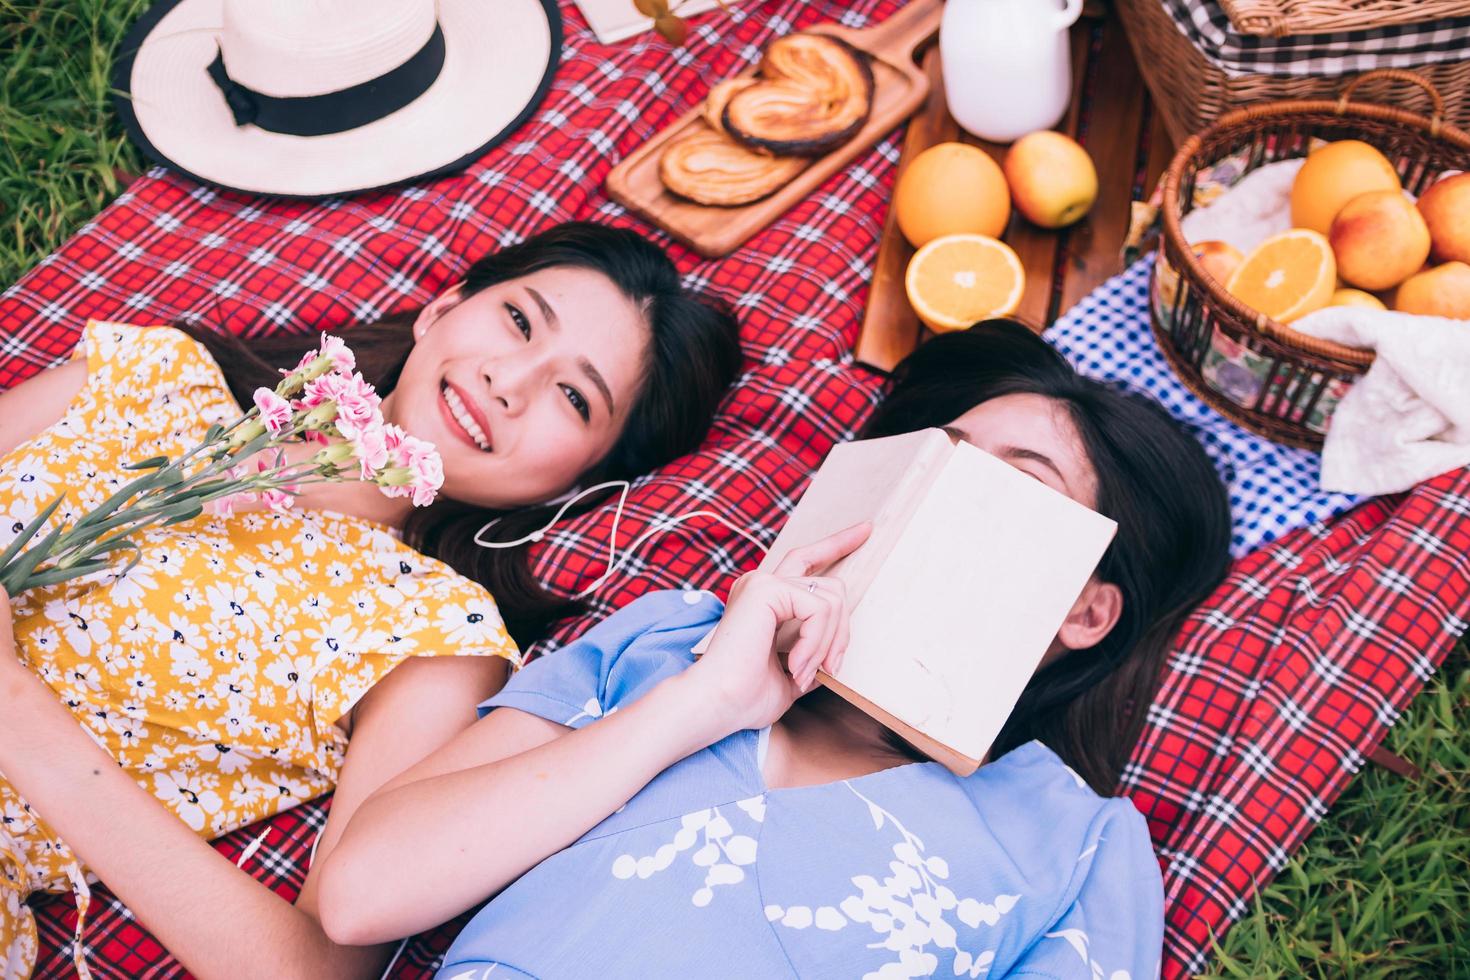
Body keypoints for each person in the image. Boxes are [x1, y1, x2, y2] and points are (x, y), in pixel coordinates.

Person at [316, 319, 1233, 979]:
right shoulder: (670, 642)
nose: (939, 495)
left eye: (1003, 482)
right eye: (937, 454)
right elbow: (362, 896)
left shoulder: (1077, 854)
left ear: (1084, 613)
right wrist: (703, 703)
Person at [0, 221, 741, 978]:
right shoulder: (161, 372)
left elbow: (321, 966)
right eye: (519, 321)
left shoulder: (429, 633)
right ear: (442, 306)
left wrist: (16, 709)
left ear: (581, 481)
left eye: (574, 397)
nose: (509, 382)